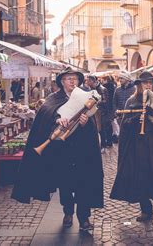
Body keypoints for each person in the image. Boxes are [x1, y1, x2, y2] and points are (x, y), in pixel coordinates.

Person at [11, 67, 103, 231]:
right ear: (62, 81)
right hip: (63, 149)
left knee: (83, 182)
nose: (72, 81)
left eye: (75, 78)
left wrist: (85, 122)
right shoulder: (54, 98)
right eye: (68, 79)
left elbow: (94, 122)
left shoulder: (85, 97)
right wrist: (57, 119)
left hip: (82, 148)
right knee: (65, 183)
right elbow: (46, 115)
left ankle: (84, 218)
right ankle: (68, 212)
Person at [110, 72, 153, 230]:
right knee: (141, 177)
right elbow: (124, 123)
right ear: (139, 85)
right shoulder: (131, 101)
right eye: (144, 83)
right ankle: (146, 210)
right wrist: (135, 119)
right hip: (138, 147)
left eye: (150, 83)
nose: (148, 86)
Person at [87, 75, 112, 149]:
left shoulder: (102, 89)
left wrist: (95, 102)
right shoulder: (92, 88)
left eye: (88, 81)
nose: (87, 82)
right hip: (96, 112)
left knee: (103, 129)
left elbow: (105, 101)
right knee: (99, 129)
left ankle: (104, 145)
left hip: (102, 112)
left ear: (92, 81)